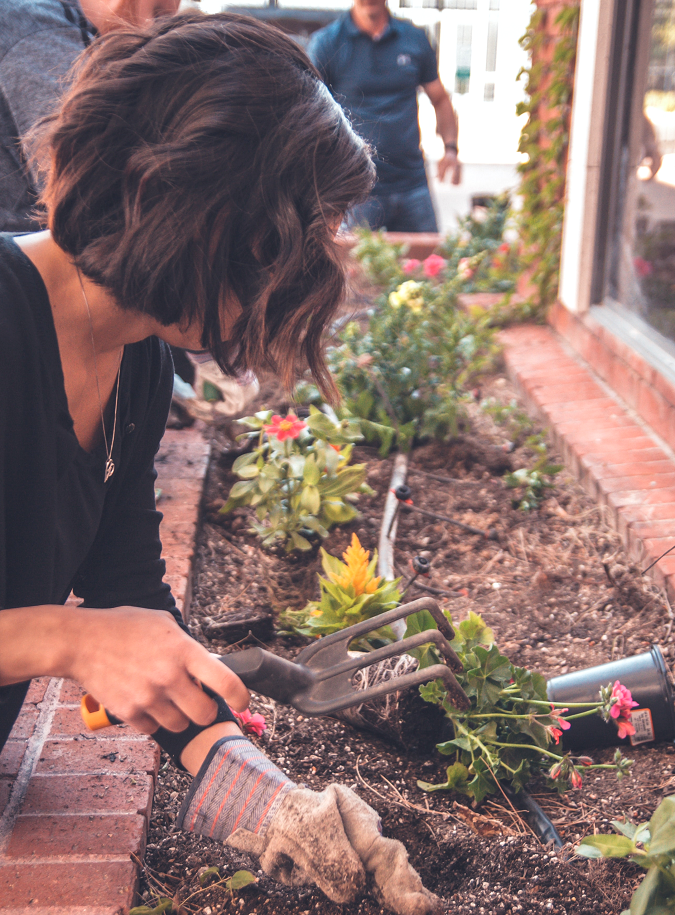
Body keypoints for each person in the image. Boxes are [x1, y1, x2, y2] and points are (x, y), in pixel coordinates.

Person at [0, 13, 439, 915]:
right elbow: (97, 633)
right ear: (195, 212)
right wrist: (69, 640)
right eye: (290, 237)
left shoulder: (141, 363)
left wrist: (278, 802)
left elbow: (132, 607)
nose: (297, 275)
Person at [308, 0, 461, 234]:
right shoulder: (328, 43)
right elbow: (310, 110)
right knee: (354, 269)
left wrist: (450, 148)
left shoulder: (414, 39)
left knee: (428, 264)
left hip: (412, 183)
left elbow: (439, 99)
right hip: (357, 190)